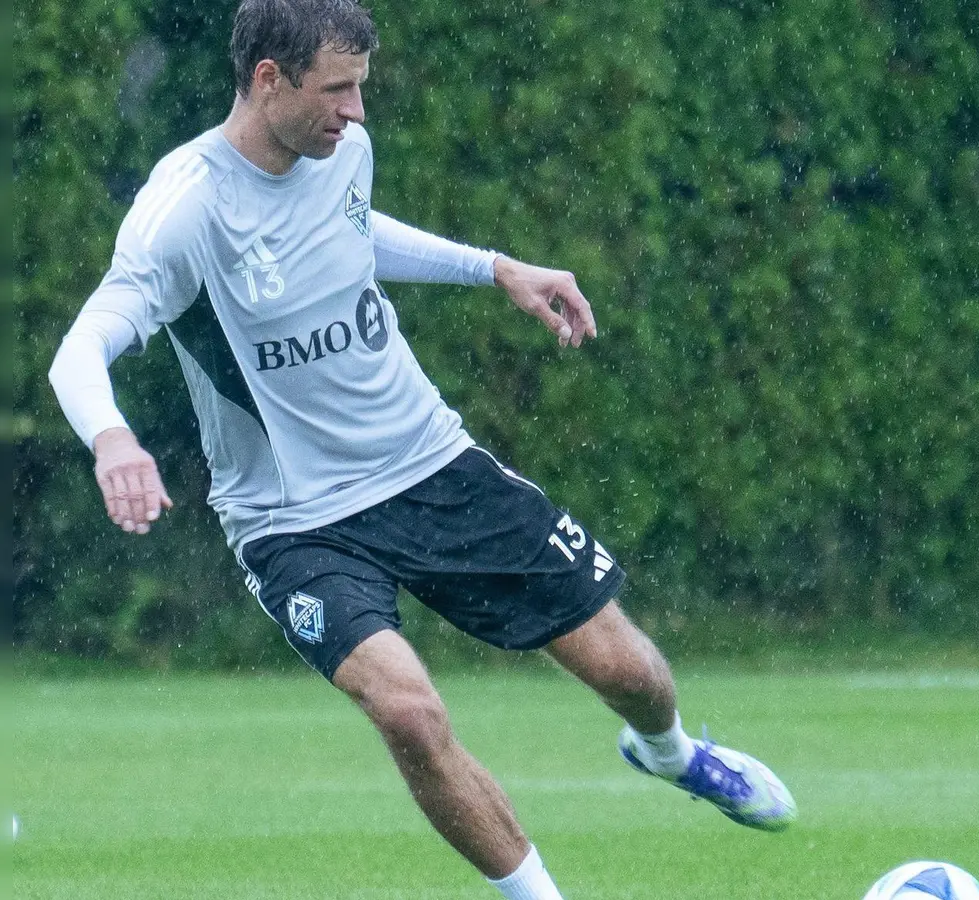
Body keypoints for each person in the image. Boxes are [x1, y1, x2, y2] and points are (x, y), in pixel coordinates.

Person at [47, 1, 796, 897]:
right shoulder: (184, 211)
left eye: (360, 87)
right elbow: (80, 349)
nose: (356, 112)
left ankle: (670, 755)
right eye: (338, 90)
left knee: (627, 670)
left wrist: (494, 267)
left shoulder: (341, 152)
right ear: (268, 80)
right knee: (408, 711)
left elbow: (355, 234)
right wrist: (113, 439)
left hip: (427, 462)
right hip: (294, 521)